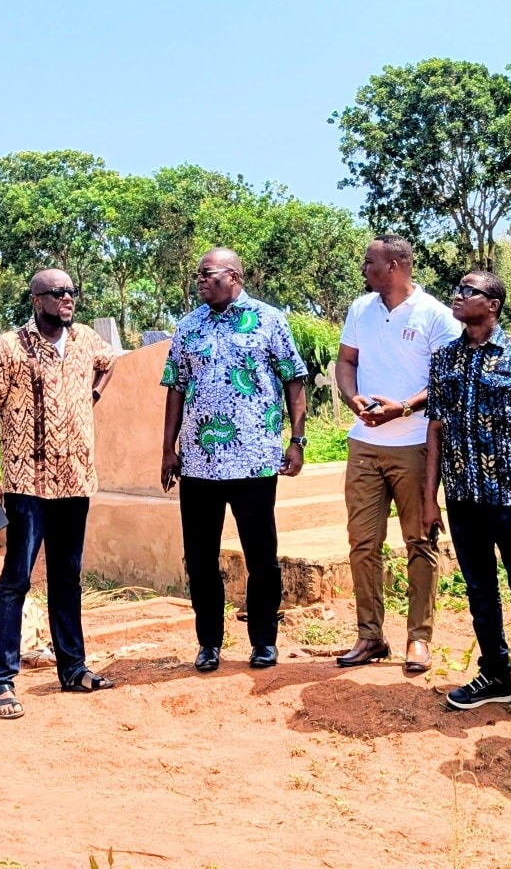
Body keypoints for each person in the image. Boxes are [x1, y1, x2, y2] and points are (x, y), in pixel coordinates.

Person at [0, 268, 119, 719]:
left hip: (75, 479)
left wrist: (91, 395)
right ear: (37, 300)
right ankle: (1, 681)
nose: (67, 299)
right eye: (57, 293)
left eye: (71, 292)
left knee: (68, 576)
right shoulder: (10, 346)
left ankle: (73, 669)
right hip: (26, 482)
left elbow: (110, 362)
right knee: (16, 578)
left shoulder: (85, 341)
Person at [420, 271, 511, 738]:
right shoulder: (445, 359)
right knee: (480, 591)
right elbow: (434, 430)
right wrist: (429, 499)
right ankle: (496, 674)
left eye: (468, 291)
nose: (457, 297)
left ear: (493, 304)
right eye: (457, 290)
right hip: (463, 500)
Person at [160, 247, 308, 672]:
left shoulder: (270, 320)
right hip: (199, 464)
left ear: (235, 276)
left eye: (207, 273)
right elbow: (175, 388)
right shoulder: (188, 326)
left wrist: (296, 441)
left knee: (261, 555)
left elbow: (293, 381)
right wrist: (168, 450)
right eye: (198, 275)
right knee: (201, 557)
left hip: (255, 460)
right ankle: (209, 643)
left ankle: (264, 640)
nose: (200, 281)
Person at [334, 235, 459, 674]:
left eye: (369, 262)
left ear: (394, 266)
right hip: (365, 444)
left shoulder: (437, 316)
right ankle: (370, 636)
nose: (363, 268)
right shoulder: (359, 310)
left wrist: (402, 408)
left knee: (419, 541)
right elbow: (345, 362)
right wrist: (353, 400)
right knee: (362, 543)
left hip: (415, 445)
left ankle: (418, 639)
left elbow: (448, 380)